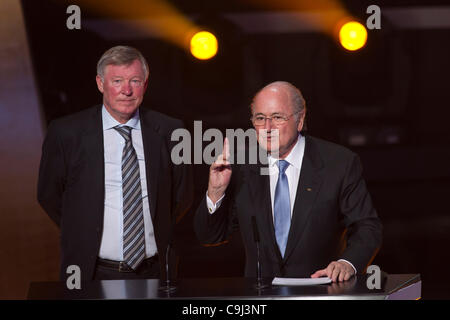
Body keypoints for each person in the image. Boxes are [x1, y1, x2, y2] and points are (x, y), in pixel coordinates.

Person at [194, 81, 382, 282]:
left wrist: (347, 263)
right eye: (260, 118)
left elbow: (367, 227)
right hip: (261, 298)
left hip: (321, 292)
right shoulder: (240, 167)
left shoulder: (339, 163)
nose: (267, 127)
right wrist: (215, 192)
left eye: (277, 117)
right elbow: (210, 236)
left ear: (300, 120)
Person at [38, 46, 193, 281]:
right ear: (101, 84)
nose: (127, 90)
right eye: (117, 81)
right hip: (92, 272)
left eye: (135, 81)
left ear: (146, 85)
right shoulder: (66, 132)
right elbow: (49, 195)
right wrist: (83, 228)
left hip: (155, 270)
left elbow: (183, 196)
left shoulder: (171, 130)